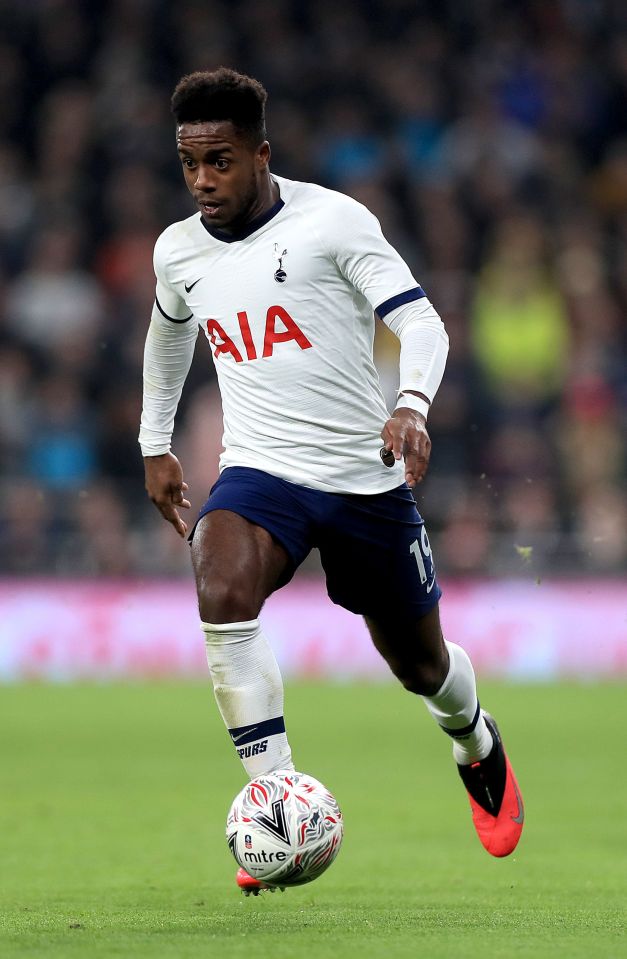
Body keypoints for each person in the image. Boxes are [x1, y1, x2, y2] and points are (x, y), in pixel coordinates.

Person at [139, 67, 524, 893]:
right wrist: (154, 440)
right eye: (190, 163)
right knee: (220, 574)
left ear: (261, 154)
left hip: (363, 479)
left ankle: (475, 742)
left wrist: (411, 405)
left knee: (420, 668)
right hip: (260, 471)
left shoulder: (332, 222)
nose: (203, 180)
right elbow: (169, 332)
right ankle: (275, 809)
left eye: (221, 160)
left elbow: (419, 320)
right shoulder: (178, 250)